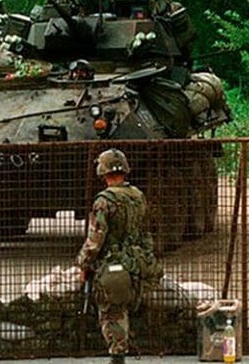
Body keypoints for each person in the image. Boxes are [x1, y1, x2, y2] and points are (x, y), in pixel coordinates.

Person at [77, 149, 162, 364]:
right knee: (127, 305)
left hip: (114, 266)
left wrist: (83, 263)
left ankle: (117, 354)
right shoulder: (138, 196)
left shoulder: (104, 201)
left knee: (112, 310)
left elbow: (95, 239)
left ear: (103, 172)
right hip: (138, 262)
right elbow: (146, 232)